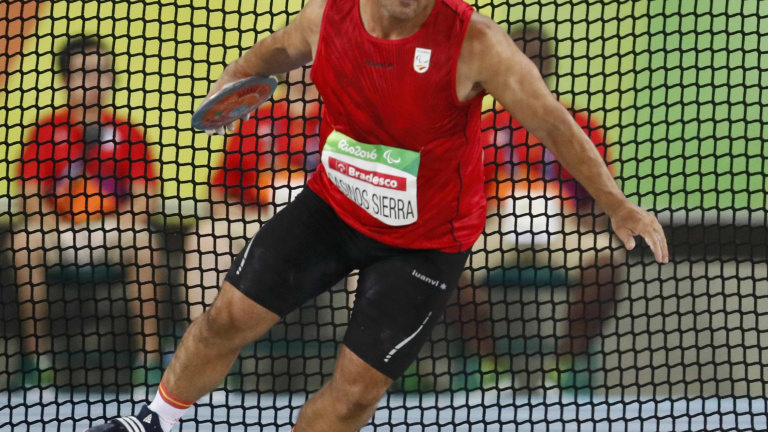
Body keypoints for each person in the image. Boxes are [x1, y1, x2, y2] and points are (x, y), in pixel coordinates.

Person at [87, 0, 667, 430]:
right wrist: (235, 79)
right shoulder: (327, 16)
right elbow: (277, 50)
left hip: (425, 242)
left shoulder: (476, 42)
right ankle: (156, 418)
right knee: (226, 318)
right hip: (333, 208)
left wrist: (615, 204)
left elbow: (553, 122)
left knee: (355, 395)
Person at [451, 23, 626, 391]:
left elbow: (601, 197)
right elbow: (461, 196)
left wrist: (591, 221)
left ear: (547, 66)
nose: (527, 63)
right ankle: (490, 367)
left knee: (607, 263)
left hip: (563, 226)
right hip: (498, 225)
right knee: (448, 267)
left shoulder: (578, 127)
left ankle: (562, 367)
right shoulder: (482, 128)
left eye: (535, 58)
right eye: (519, 56)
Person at [9, 35, 163, 386]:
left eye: (102, 72)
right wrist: (58, 228)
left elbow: (145, 198)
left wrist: (112, 227)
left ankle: (150, 362)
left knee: (146, 244)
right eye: (85, 72)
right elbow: (29, 196)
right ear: (66, 79)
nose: (95, 81)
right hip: (59, 231)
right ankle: (37, 363)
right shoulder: (45, 132)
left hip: (112, 231)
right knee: (22, 243)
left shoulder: (128, 133)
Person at [183, 68, 321, 321]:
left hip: (320, 228)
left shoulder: (339, 119)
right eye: (299, 58)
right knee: (206, 238)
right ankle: (198, 335)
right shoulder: (258, 118)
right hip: (259, 222)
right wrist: (233, 211)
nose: (304, 66)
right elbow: (219, 190)